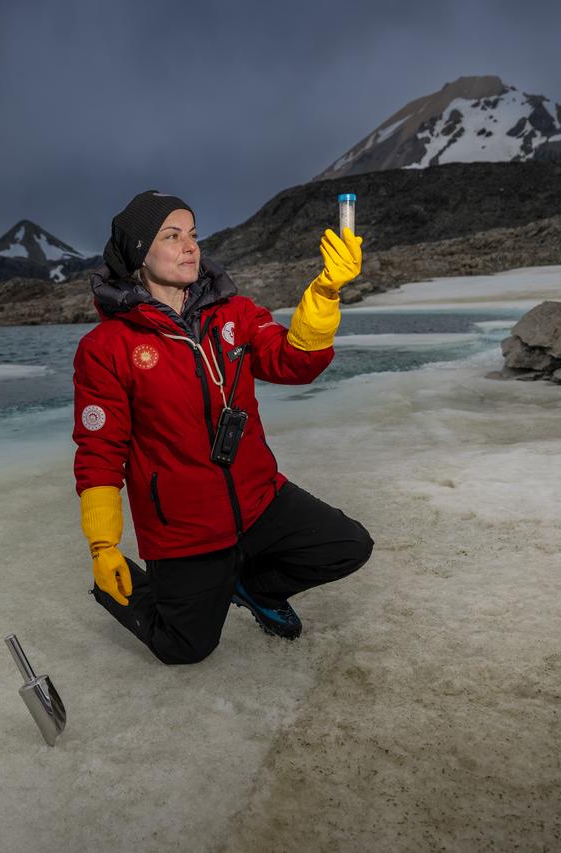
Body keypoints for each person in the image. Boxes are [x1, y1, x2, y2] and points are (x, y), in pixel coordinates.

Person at [72, 189, 373, 665]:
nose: (190, 246)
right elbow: (100, 452)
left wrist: (324, 293)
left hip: (257, 499)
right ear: (138, 254)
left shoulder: (235, 313)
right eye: (172, 236)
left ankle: (252, 587)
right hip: (183, 528)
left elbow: (295, 363)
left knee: (348, 545)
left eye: (193, 234)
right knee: (184, 648)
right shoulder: (107, 346)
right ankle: (124, 586)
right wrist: (103, 545)